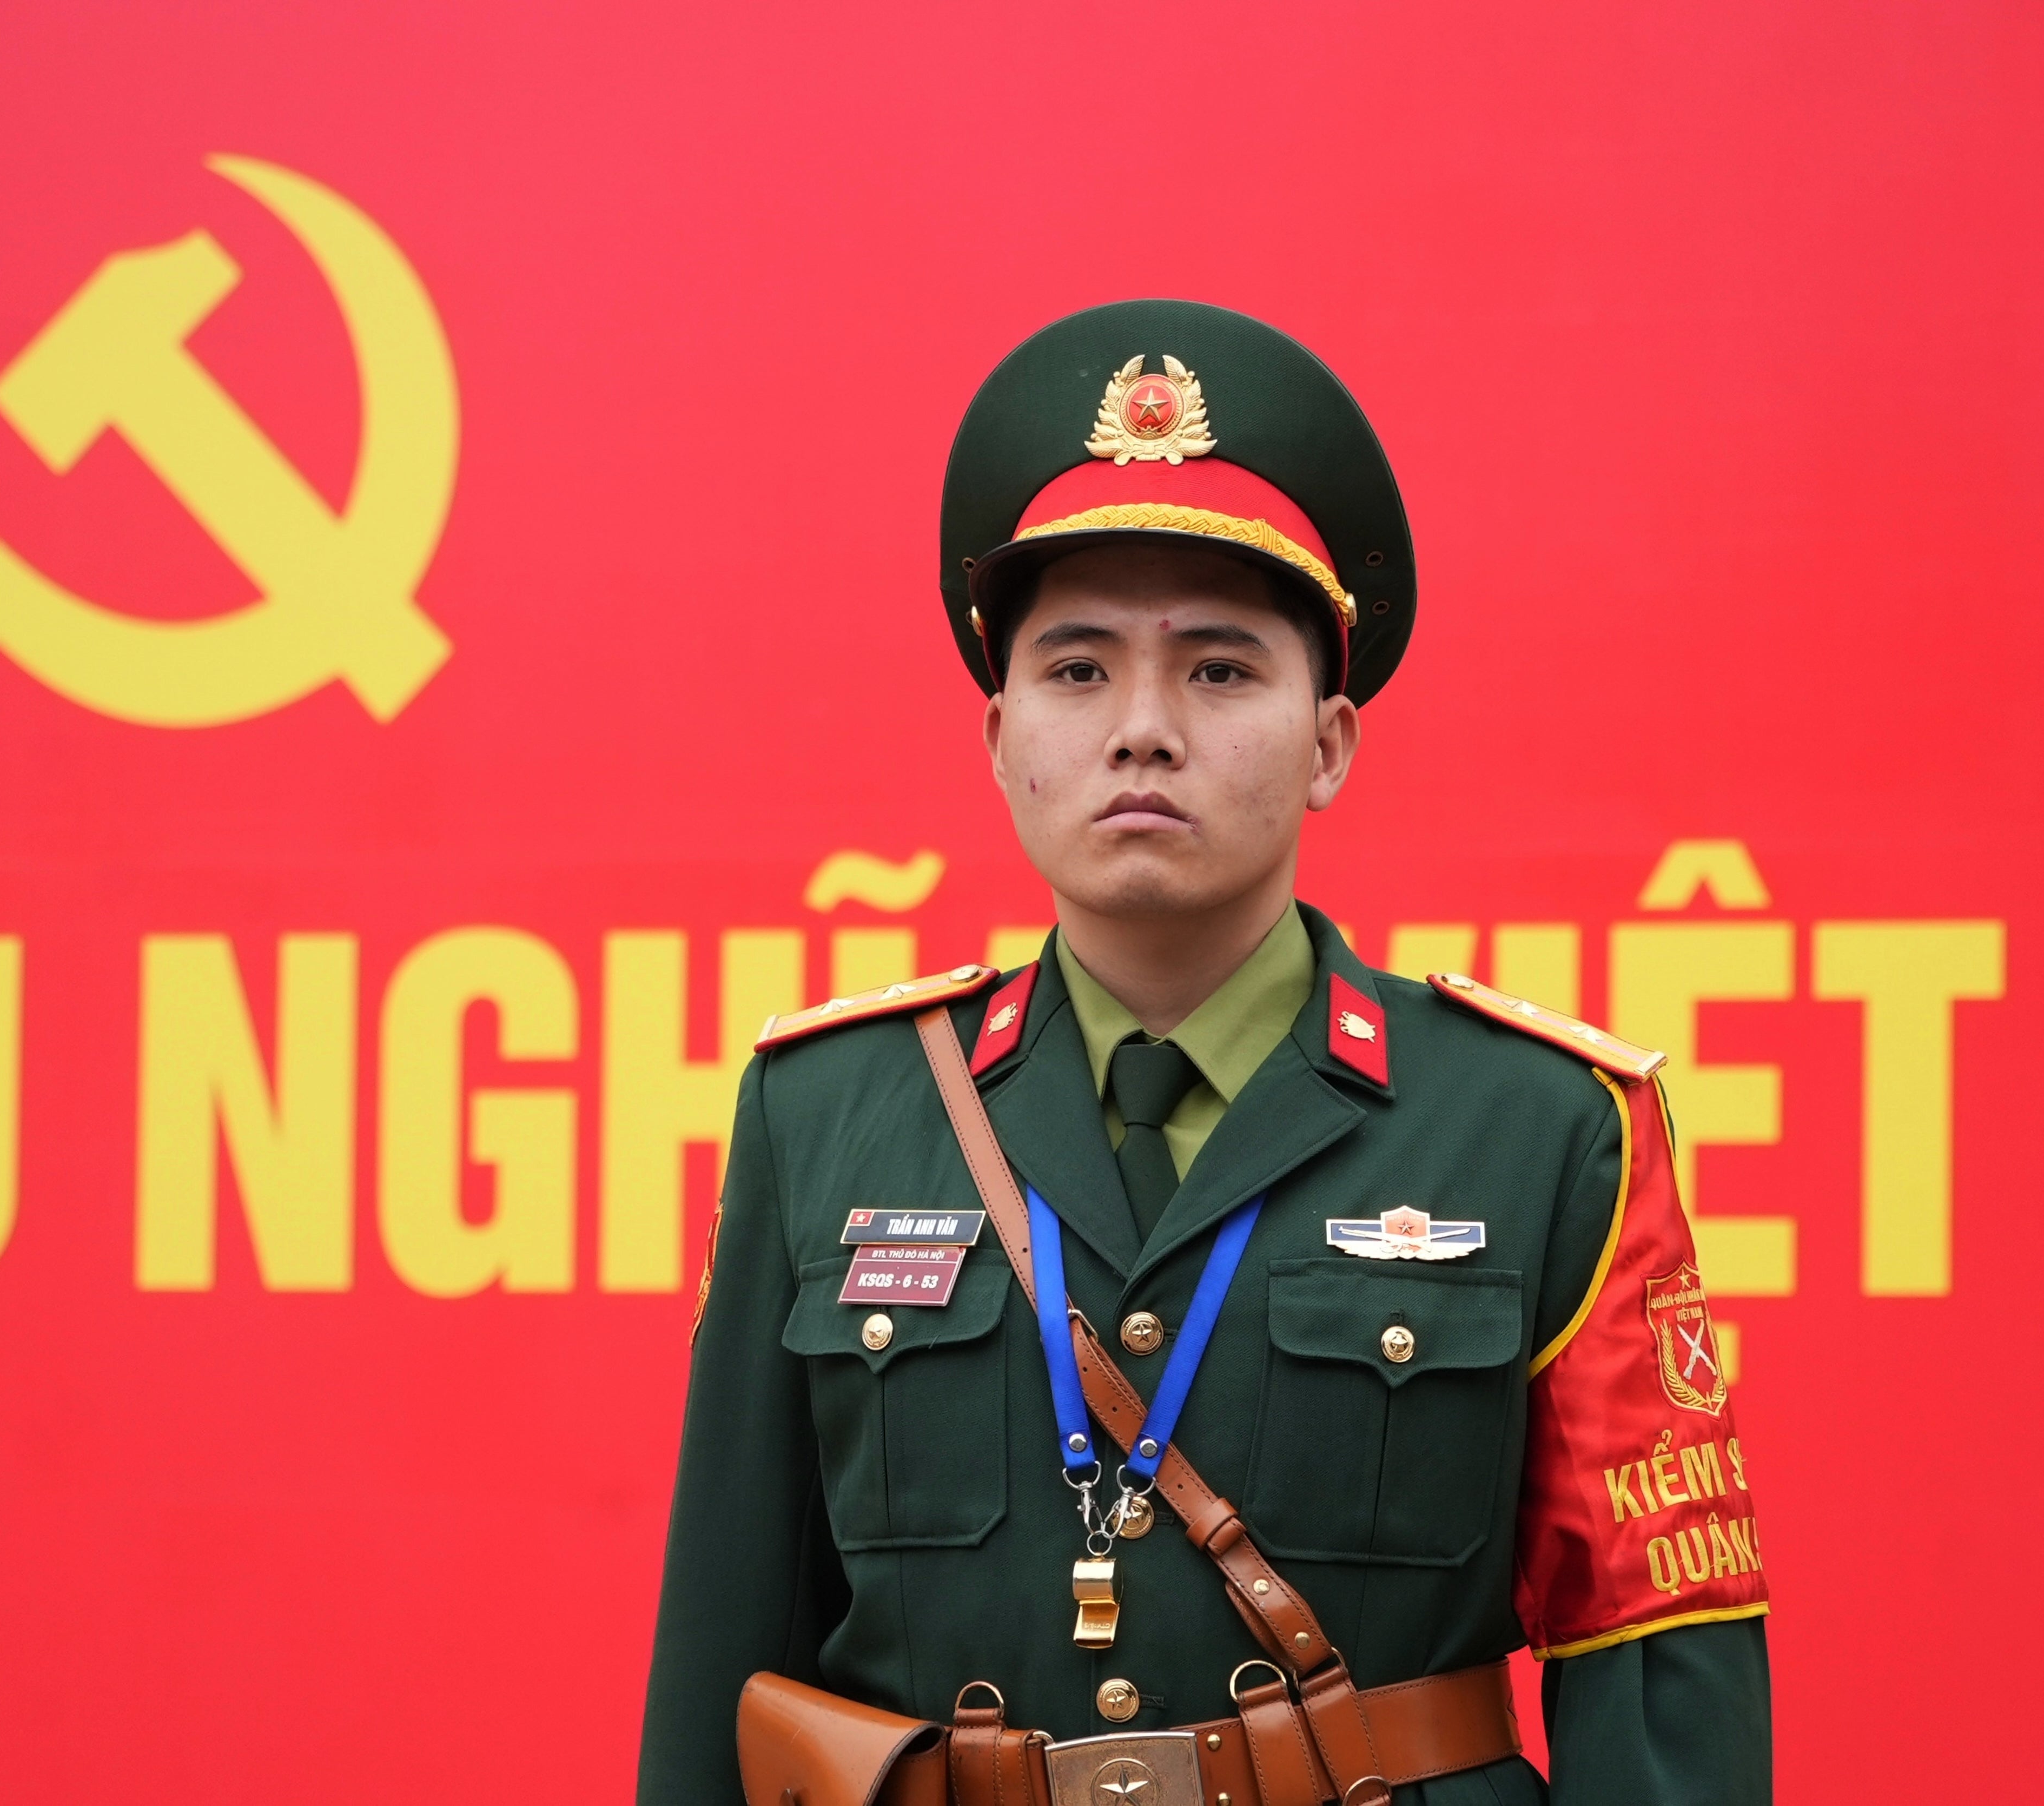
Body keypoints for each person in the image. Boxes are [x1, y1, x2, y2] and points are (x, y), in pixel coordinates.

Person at [637, 300, 1772, 1806]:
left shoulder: (1543, 1127)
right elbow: (725, 1671)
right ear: (999, 738)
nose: (1144, 730)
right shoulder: (831, 1111)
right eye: (1078, 670)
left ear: (1330, 742)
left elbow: (1657, 1682)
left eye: (1222, 671)